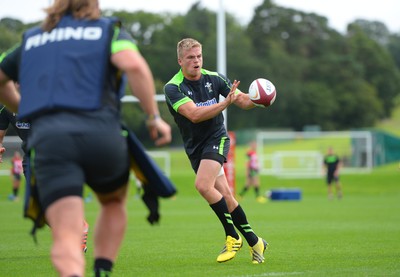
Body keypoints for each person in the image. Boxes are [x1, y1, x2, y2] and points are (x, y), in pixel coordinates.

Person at [0, 1, 171, 276]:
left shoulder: (33, 38)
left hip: (51, 140)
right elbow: (134, 66)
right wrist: (153, 117)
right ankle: (102, 269)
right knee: (113, 203)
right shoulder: (108, 30)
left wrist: (23, 106)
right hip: (101, 134)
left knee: (66, 232)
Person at [164, 38, 268, 264]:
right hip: (195, 147)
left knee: (203, 185)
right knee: (227, 197)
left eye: (199, 56)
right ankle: (255, 241)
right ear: (180, 60)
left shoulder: (215, 78)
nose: (196, 61)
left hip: (216, 138)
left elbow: (240, 99)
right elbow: (194, 114)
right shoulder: (173, 87)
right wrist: (225, 103)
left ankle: (232, 236)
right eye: (191, 57)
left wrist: (260, 99)